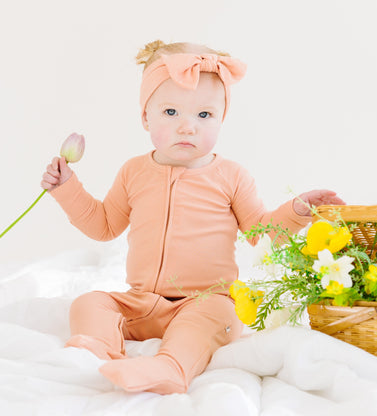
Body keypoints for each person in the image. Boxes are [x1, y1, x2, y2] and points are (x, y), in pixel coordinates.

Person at [40, 40, 345, 394]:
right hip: (143, 302)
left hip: (207, 301)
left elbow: (262, 231)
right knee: (90, 302)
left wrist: (295, 211)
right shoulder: (133, 172)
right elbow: (103, 225)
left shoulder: (231, 175)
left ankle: (171, 367)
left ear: (221, 119)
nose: (187, 127)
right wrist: (67, 188)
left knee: (213, 320)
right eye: (171, 113)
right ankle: (96, 350)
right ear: (145, 117)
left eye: (204, 115)